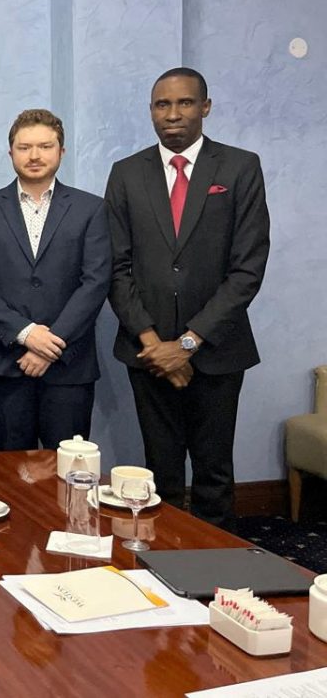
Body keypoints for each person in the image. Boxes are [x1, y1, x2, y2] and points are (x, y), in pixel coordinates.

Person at [106, 67, 270, 528]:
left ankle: (216, 573)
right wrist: (154, 341)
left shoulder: (239, 167)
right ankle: (164, 571)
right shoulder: (125, 174)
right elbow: (116, 268)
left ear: (205, 107)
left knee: (214, 474)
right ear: (152, 112)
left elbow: (247, 268)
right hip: (148, 352)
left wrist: (189, 343)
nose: (172, 113)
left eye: (183, 103)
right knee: (160, 475)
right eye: (162, 105)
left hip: (217, 351)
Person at [0, 109, 111, 450]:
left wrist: (51, 343)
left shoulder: (91, 209)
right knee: (14, 473)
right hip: (6, 362)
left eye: (45, 146)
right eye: (24, 146)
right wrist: (27, 334)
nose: (34, 155)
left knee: (69, 471)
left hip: (69, 366)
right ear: (10, 152)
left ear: (61, 151)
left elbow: (95, 283)